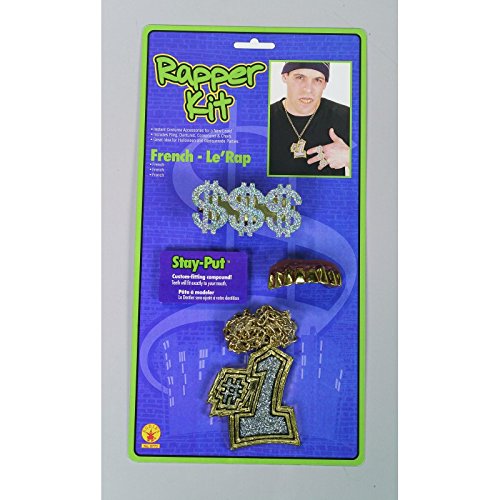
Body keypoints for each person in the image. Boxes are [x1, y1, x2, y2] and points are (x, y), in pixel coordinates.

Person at [269, 62, 351, 177]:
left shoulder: (346, 116)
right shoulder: (264, 118)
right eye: (300, 77)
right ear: (285, 77)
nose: (308, 89)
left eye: (317, 80)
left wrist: (349, 157)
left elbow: (374, 164)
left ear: (325, 84)